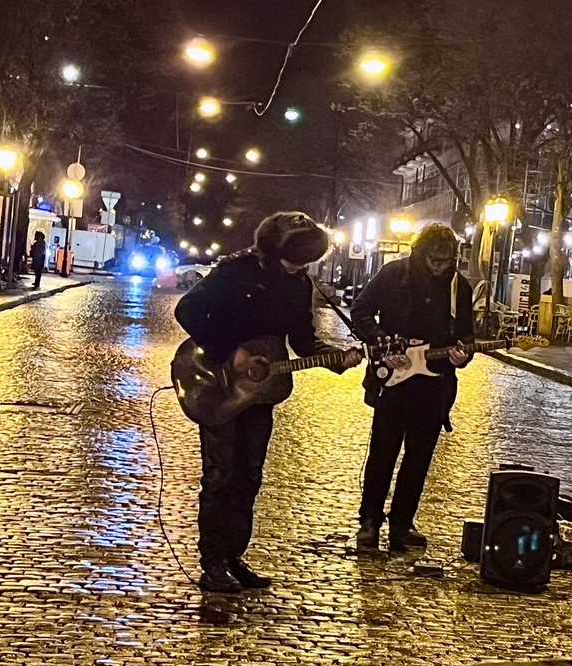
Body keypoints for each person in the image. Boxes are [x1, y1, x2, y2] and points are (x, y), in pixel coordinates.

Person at [175, 212, 362, 593]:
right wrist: (230, 351)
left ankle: (233, 555)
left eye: (305, 262)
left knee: (249, 475)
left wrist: (335, 357)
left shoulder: (300, 284)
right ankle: (212, 563)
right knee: (220, 474)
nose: (298, 268)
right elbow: (188, 309)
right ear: (274, 250)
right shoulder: (236, 270)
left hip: (261, 393)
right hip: (218, 384)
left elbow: (303, 340)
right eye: (293, 261)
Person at [351, 223, 474, 553]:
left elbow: (466, 333)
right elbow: (361, 310)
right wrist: (381, 342)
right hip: (394, 379)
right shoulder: (394, 274)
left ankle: (402, 523)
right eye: (433, 260)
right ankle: (369, 521)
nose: (439, 267)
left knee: (419, 459)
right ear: (420, 252)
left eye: (445, 261)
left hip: (435, 383)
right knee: (382, 453)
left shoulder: (459, 286)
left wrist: (463, 355)